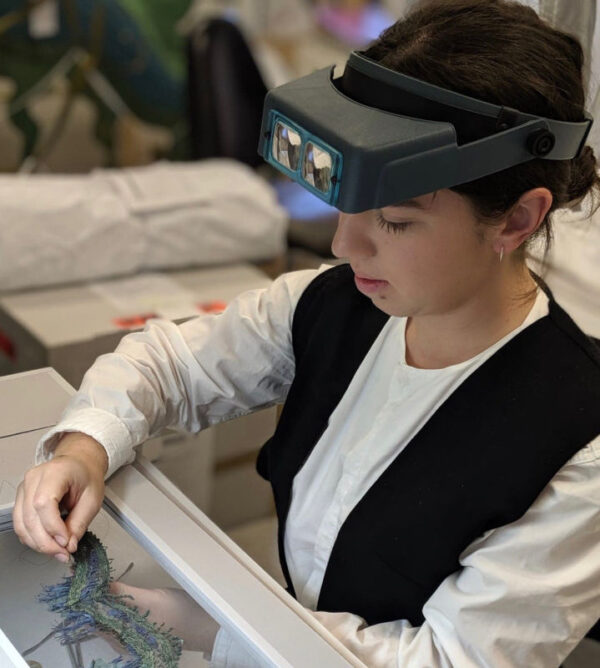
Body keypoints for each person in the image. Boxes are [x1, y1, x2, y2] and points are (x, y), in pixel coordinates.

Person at [13, 1, 600, 666]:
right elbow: (168, 365)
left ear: (517, 220)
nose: (346, 245)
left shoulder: (580, 445)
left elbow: (451, 658)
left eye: (396, 222)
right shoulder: (332, 304)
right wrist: (85, 447)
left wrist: (217, 628)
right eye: (344, 210)